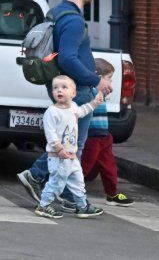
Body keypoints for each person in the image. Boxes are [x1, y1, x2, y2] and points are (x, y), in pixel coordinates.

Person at [16, 0, 112, 208]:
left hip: (64, 84)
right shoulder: (74, 21)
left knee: (72, 143)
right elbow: (68, 57)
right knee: (73, 145)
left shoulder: (57, 13)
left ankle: (68, 195)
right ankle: (37, 176)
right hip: (76, 89)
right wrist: (94, 80)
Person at [33, 75, 105, 219]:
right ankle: (44, 205)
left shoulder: (73, 107)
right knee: (56, 183)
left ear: (73, 93)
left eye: (64, 87)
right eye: (55, 88)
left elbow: (82, 111)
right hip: (58, 156)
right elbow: (50, 133)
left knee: (78, 182)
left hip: (72, 156)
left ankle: (82, 206)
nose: (59, 90)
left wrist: (94, 103)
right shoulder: (52, 112)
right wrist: (59, 149)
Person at [79, 59, 133, 206]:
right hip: (92, 136)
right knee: (84, 165)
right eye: (109, 78)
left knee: (109, 166)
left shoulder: (102, 92)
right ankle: (71, 191)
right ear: (97, 76)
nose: (110, 83)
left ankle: (112, 193)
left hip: (104, 135)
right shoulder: (91, 91)